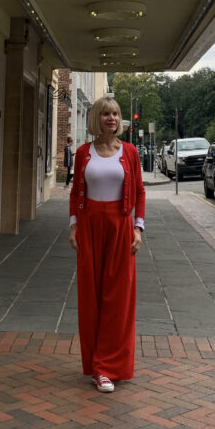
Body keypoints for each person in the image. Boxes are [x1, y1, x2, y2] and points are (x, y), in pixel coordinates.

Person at [68, 96, 145, 393]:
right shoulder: (83, 153)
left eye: (115, 114)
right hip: (89, 227)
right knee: (90, 297)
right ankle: (95, 365)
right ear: (96, 119)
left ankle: (108, 366)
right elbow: (76, 192)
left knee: (119, 298)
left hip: (120, 227)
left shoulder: (130, 152)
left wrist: (138, 229)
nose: (111, 118)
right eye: (105, 114)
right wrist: (73, 225)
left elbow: (139, 192)